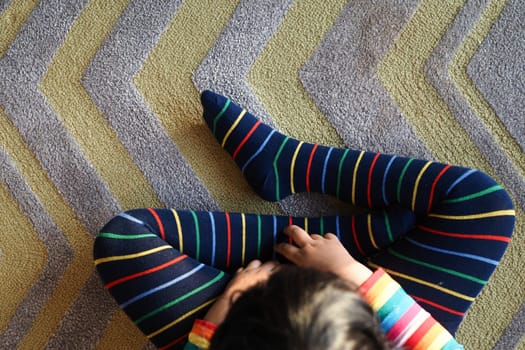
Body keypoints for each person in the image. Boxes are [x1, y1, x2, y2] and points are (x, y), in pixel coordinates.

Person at [93, 91, 515, 350]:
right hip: (363, 320)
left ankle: (349, 236)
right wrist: (351, 271)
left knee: (124, 239)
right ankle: (299, 177)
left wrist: (216, 318)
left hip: (239, 329)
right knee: (482, 203)